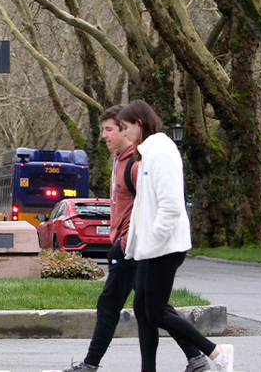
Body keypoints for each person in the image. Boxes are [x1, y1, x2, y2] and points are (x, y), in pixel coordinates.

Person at [50, 105, 202, 372]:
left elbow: (152, 205)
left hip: (134, 247)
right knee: (150, 310)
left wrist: (127, 243)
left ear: (127, 128)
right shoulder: (121, 160)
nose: (104, 135)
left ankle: (90, 365)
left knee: (114, 305)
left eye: (110, 129)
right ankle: (193, 357)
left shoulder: (137, 162)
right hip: (131, 245)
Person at [118, 100, 234, 372]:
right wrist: (135, 246)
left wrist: (154, 240)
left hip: (165, 247)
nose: (124, 133)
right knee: (143, 309)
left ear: (140, 123)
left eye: (126, 127)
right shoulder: (148, 154)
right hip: (151, 248)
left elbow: (171, 206)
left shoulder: (162, 152)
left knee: (156, 310)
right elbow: (143, 209)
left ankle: (215, 352)